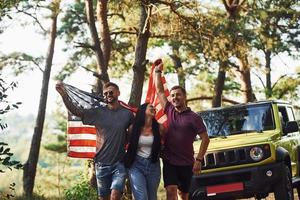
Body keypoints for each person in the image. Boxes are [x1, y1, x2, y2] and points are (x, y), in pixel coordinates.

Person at [56, 81, 134, 200]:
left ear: (118, 93)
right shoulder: (98, 112)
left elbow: (134, 133)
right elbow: (76, 111)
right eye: (105, 93)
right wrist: (64, 95)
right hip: (101, 163)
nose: (108, 94)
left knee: (115, 196)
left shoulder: (127, 114)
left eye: (111, 92)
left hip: (119, 163)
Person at [154, 60, 210, 200]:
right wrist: (157, 71)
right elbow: (160, 91)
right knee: (171, 190)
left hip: (187, 162)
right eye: (172, 95)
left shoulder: (194, 117)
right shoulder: (169, 110)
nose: (175, 98)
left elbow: (205, 138)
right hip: (169, 160)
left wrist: (198, 160)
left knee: (183, 195)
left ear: (184, 97)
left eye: (178, 95)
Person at [124, 103, 163, 200]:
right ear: (143, 111)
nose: (154, 108)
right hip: (136, 165)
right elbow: (126, 144)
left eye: (154, 107)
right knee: (142, 198)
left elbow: (164, 144)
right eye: (151, 107)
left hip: (153, 165)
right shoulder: (133, 128)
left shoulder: (160, 128)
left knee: (152, 197)